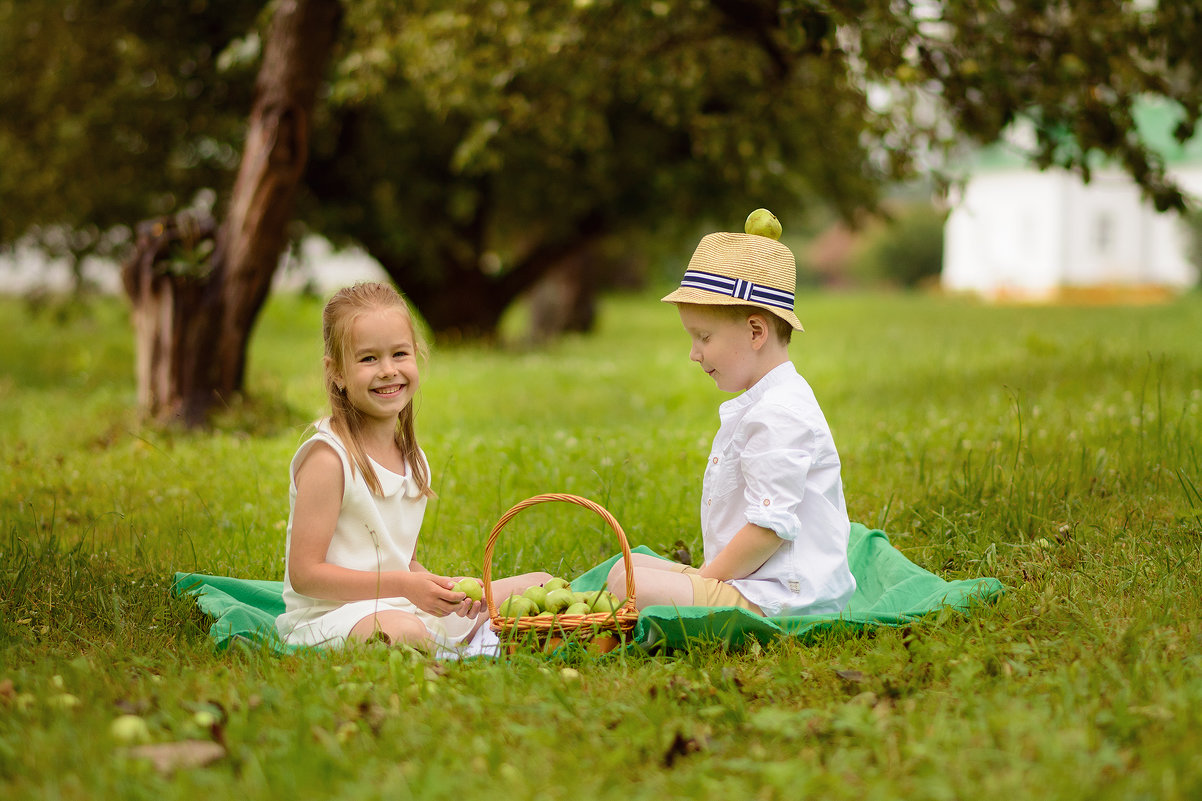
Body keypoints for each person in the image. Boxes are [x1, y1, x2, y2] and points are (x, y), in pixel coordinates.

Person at [276, 282, 549, 650]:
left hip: (399, 603)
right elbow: (306, 575)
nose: (388, 370)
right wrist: (404, 585)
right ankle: (467, 645)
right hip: (333, 616)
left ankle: (467, 637)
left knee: (539, 584)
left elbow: (404, 561)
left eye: (399, 354)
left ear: (416, 356)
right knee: (406, 633)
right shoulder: (329, 458)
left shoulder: (412, 457)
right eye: (368, 358)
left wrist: (438, 587)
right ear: (336, 372)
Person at [607, 215, 856, 617]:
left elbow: (768, 529)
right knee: (625, 568)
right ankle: (693, 586)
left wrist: (705, 581)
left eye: (704, 337)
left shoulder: (780, 412)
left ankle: (696, 592)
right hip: (751, 579)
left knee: (627, 584)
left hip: (783, 596)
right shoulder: (767, 401)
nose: (694, 353)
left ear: (756, 332)